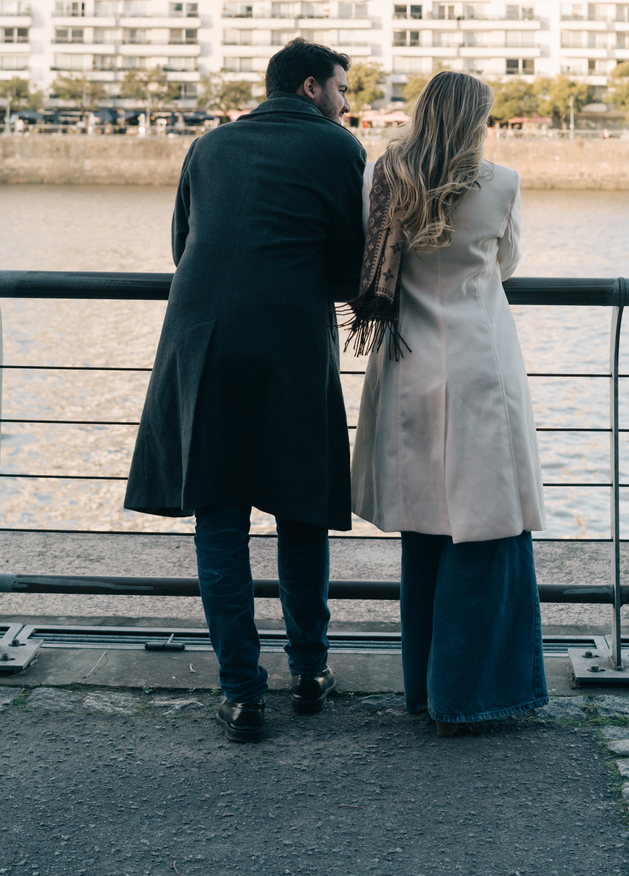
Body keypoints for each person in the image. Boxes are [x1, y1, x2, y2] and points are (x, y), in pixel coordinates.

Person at [124, 39, 366, 743]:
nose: (346, 102)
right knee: (302, 510)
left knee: (220, 517)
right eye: (342, 88)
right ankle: (310, 672)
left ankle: (241, 694)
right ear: (312, 86)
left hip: (203, 341)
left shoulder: (208, 146)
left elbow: (183, 244)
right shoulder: (338, 147)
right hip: (291, 342)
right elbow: (352, 265)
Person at [347, 69, 547, 734]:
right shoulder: (501, 184)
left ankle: (426, 687)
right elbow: (506, 264)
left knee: (426, 527)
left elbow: (370, 256)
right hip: (480, 364)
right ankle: (470, 694)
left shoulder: (384, 176)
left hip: (407, 363)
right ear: (474, 123)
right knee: (488, 525)